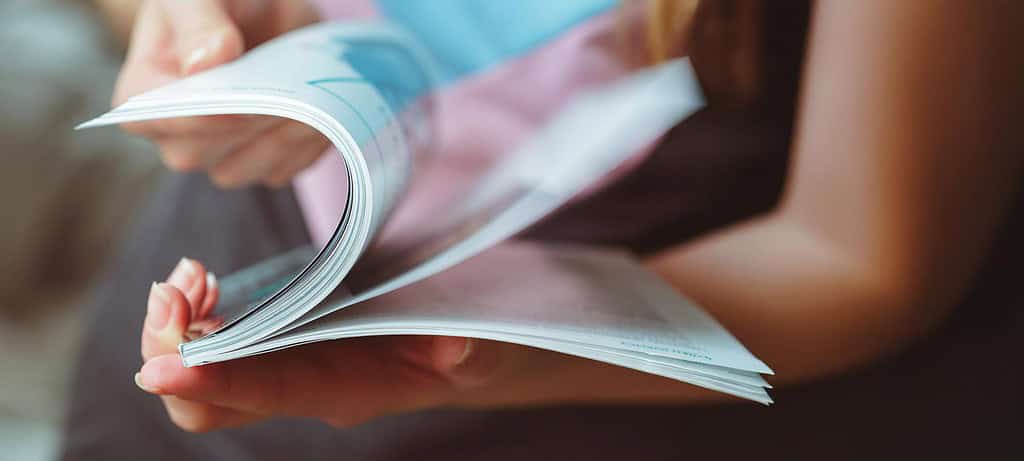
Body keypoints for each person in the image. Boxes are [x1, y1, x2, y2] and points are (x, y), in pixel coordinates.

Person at [62, 1, 1023, 459]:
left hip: (643, 344)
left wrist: (513, 354)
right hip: (223, 278)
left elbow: (860, 251)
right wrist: (185, 29)